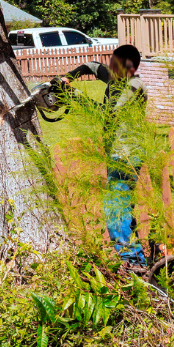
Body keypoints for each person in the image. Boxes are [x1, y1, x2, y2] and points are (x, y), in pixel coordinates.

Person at [66, 44, 147, 264]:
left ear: (129, 70)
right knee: (122, 208)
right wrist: (68, 78)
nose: (109, 69)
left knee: (115, 209)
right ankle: (136, 258)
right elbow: (91, 66)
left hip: (126, 156)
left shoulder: (133, 86)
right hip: (118, 154)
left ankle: (131, 261)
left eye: (114, 66)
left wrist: (72, 95)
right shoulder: (116, 79)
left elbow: (106, 115)